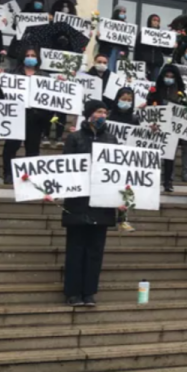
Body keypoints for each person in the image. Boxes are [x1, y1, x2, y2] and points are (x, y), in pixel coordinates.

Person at [62, 100, 121, 306]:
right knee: (76, 249)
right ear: (89, 114)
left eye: (104, 111)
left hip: (102, 203)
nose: (102, 114)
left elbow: (118, 171)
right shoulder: (75, 138)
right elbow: (65, 166)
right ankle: (72, 292)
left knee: (95, 251)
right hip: (78, 202)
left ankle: (89, 292)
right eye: (98, 111)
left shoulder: (112, 139)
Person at [1, 48, 51, 184]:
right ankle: (8, 174)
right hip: (15, 116)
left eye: (33, 55)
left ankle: (30, 175)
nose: (30, 57)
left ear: (37, 58)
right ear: (22, 57)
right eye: (27, 55)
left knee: (33, 148)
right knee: (11, 147)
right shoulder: (12, 73)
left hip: (35, 118)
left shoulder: (45, 77)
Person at [147, 65, 187, 192]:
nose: (169, 79)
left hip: (172, 127)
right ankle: (153, 178)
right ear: (162, 76)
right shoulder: (155, 89)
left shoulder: (180, 91)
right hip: (157, 126)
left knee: (169, 156)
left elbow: (185, 105)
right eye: (167, 76)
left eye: (172, 77)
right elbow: (150, 104)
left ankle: (168, 181)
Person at [98, 6, 130, 72]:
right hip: (109, 51)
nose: (123, 14)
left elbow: (128, 42)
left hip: (120, 52)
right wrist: (98, 36)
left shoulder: (126, 26)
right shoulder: (108, 24)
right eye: (121, 11)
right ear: (117, 12)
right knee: (109, 71)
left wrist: (125, 53)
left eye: (124, 12)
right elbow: (101, 40)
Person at [136, 14, 166, 82]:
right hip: (144, 63)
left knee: (154, 83)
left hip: (156, 64)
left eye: (158, 21)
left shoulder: (162, 35)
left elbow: (166, 50)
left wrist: (172, 45)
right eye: (154, 20)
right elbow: (138, 48)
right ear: (150, 21)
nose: (156, 22)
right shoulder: (143, 33)